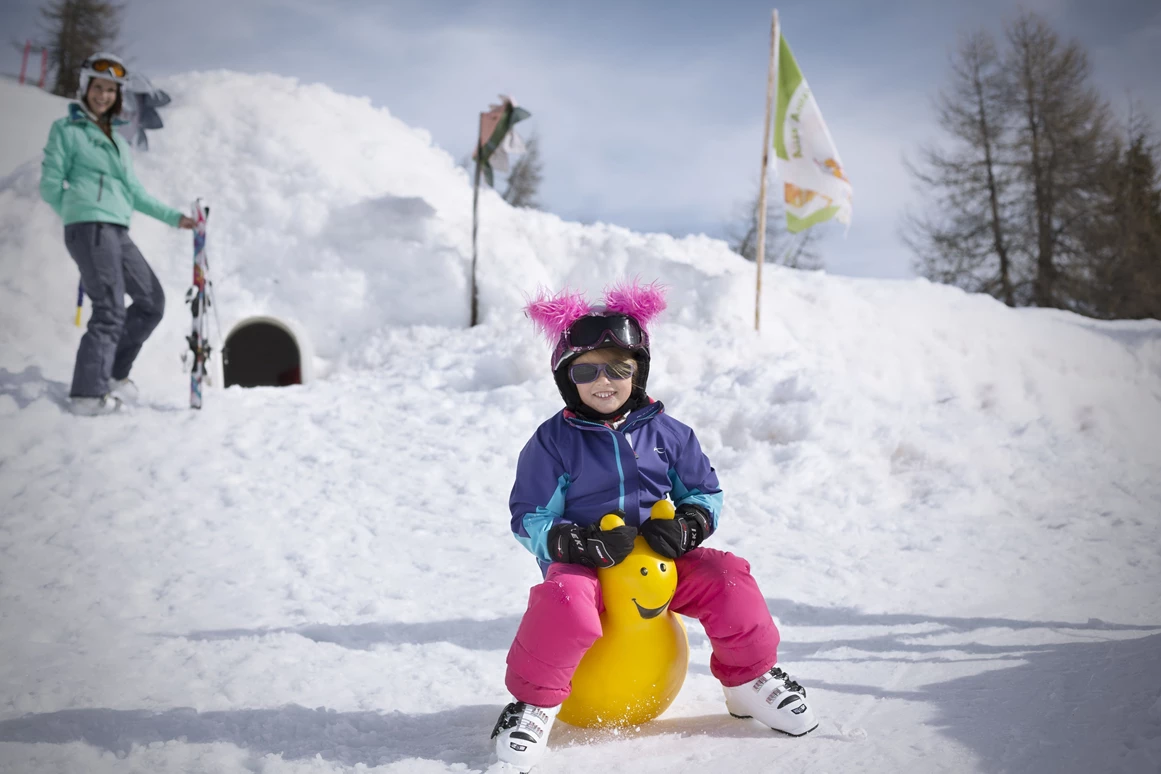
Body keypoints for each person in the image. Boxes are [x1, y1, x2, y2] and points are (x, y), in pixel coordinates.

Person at [491, 280, 818, 772]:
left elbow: (705, 492)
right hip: (589, 563)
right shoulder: (552, 442)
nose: (605, 380)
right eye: (587, 369)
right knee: (564, 603)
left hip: (661, 558)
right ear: (566, 378)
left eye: (619, 367)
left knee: (727, 578)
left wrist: (689, 525)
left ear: (638, 371)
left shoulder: (668, 434)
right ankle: (535, 704)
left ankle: (749, 680)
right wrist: (571, 541)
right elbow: (529, 515)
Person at [39, 52, 194, 415]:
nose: (104, 95)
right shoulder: (68, 131)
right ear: (85, 89)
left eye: (111, 90)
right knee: (109, 309)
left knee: (151, 302)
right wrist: (77, 211)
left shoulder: (119, 143)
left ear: (117, 96)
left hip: (117, 231)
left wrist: (176, 218)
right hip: (90, 227)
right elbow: (49, 184)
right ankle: (87, 396)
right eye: (98, 87)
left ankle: (112, 373)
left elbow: (136, 194)